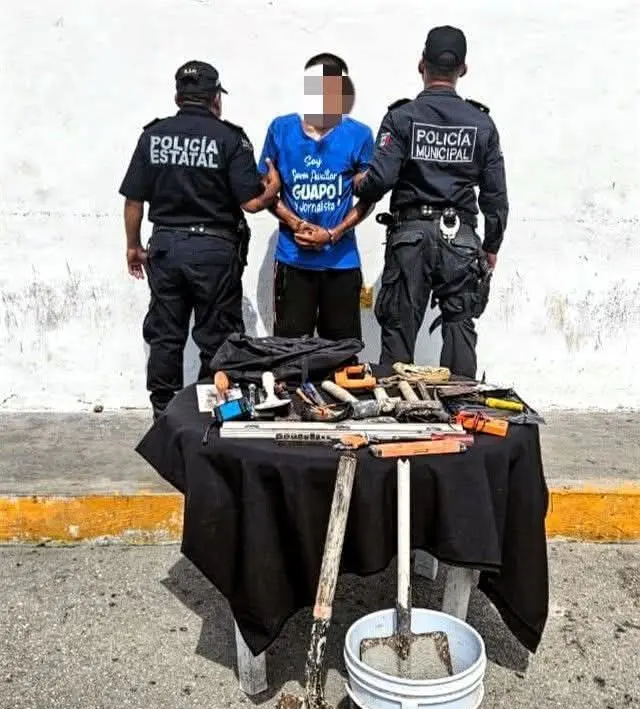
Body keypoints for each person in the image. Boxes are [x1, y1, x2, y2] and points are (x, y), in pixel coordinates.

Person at [119, 60, 280, 419]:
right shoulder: (230, 138)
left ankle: (163, 415)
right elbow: (251, 203)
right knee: (218, 337)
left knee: (165, 335)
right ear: (215, 98)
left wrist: (133, 246)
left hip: (166, 247)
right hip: (214, 251)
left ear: (178, 96)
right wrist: (273, 188)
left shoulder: (153, 136)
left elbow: (133, 201)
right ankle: (213, 415)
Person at [356, 26, 509, 378]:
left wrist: (358, 183)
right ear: (463, 69)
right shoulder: (481, 123)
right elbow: (495, 196)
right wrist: (491, 246)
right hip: (461, 240)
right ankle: (462, 404)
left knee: (399, 328)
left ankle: (397, 406)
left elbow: (379, 180)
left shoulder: (401, 117)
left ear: (421, 64)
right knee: (460, 325)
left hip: (410, 236)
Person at [258, 53, 375, 342]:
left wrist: (333, 234)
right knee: (290, 352)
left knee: (342, 352)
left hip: (341, 262)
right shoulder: (281, 129)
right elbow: (265, 187)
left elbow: (368, 197)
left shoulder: (359, 135)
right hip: (293, 260)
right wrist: (295, 223)